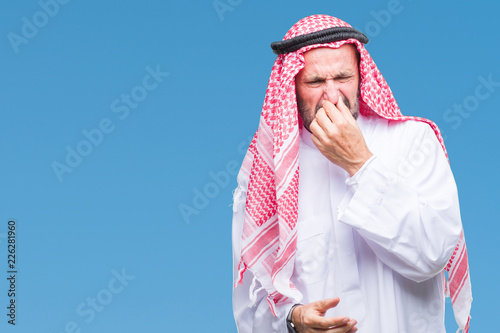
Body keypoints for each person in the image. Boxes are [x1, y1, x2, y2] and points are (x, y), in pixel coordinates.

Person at [232, 15, 472, 333]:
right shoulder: (266, 172)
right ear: (291, 86)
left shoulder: (413, 141)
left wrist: (360, 163)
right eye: (315, 82)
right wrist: (292, 320)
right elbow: (251, 304)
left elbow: (432, 255)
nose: (332, 96)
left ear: (361, 75)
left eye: (343, 77)